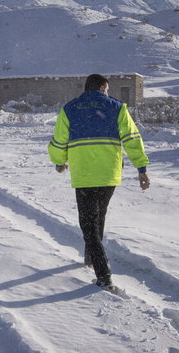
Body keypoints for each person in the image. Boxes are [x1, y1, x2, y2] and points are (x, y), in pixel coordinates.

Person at [48, 74, 150, 291]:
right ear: (103, 87)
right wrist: (141, 168)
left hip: (84, 175)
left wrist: (59, 162)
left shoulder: (70, 109)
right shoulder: (117, 107)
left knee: (88, 225)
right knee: (97, 217)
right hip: (108, 174)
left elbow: (59, 141)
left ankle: (103, 275)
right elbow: (132, 139)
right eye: (107, 88)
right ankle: (90, 257)